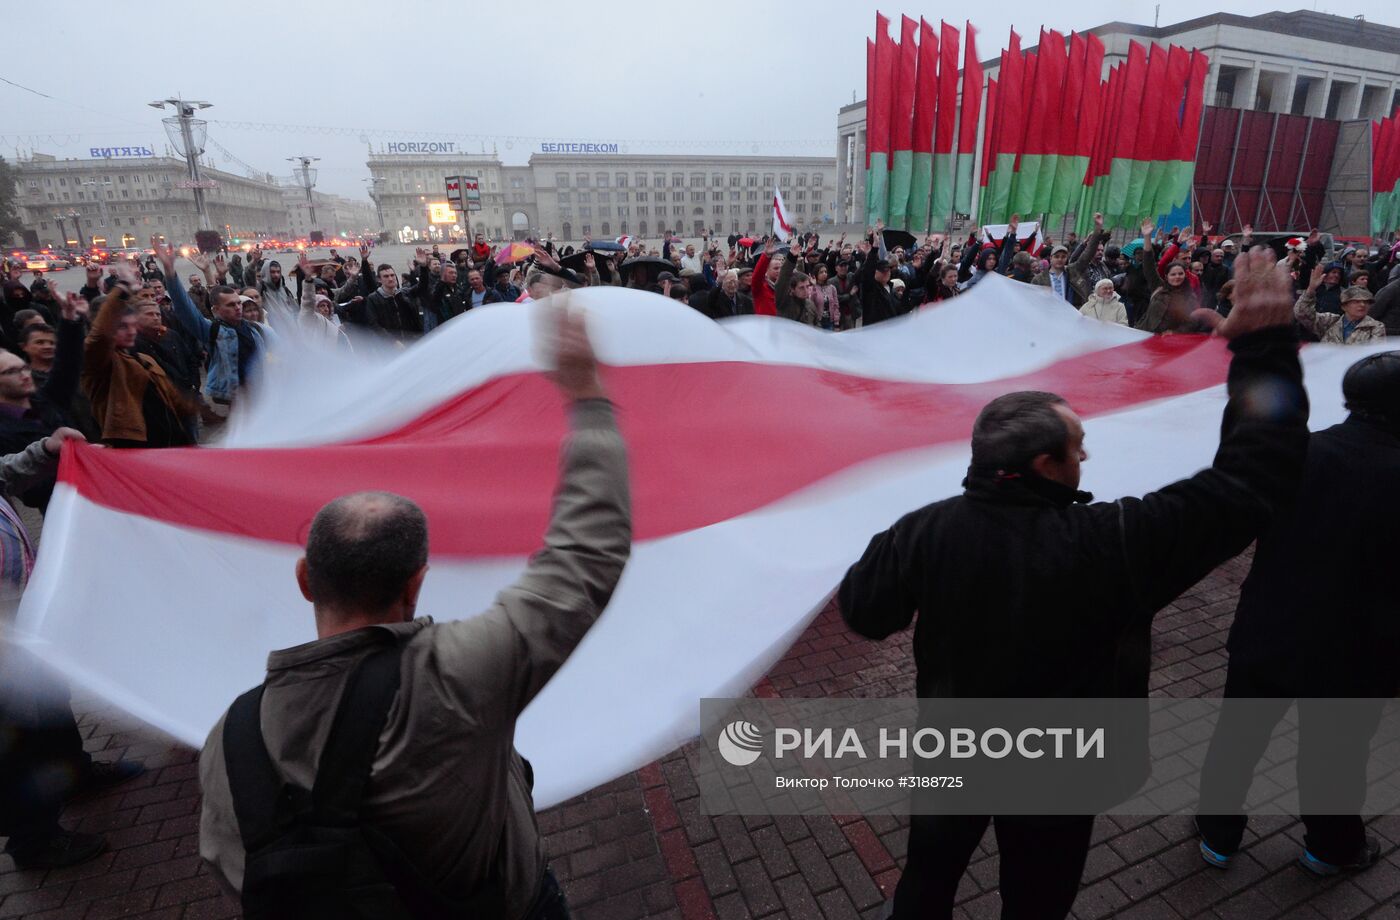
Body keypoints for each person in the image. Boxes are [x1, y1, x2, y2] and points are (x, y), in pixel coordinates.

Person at [837, 246, 1309, 919]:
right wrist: (1266, 350)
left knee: (927, 881)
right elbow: (1252, 482)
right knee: (1036, 900)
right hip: (1060, 769)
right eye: (1076, 443)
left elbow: (866, 610)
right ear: (1041, 462)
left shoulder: (926, 531)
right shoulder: (1109, 541)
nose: (1087, 454)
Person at [198, 303, 630, 919]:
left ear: (304, 579)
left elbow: (235, 870)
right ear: (417, 583)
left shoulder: (230, 741)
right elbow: (585, 560)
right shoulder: (453, 678)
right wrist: (587, 396)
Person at [1196, 351, 1400, 878]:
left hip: (1270, 624)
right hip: (1359, 646)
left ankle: (1216, 834)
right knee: (1337, 750)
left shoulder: (1300, 452)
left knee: (1237, 736)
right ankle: (1330, 848)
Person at [1, 427, 146, 870]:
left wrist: (45, 450)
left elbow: (5, 473)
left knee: (50, 706)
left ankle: (73, 773)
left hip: (20, 619)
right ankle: (33, 841)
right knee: (15, 739)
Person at [81, 261, 197, 448]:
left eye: (132, 325)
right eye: (121, 326)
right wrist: (123, 288)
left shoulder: (145, 360)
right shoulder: (99, 363)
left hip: (170, 445)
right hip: (136, 451)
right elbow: (101, 335)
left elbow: (174, 400)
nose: (131, 331)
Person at [0, 291, 86, 509]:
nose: (24, 374)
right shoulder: (4, 429)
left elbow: (67, 365)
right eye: (12, 371)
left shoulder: (46, 399)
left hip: (92, 492)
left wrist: (70, 321)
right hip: (61, 510)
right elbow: (28, 491)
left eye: (24, 368)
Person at [1294, 271, 1387, 344]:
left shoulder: (1375, 327)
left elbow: (1374, 357)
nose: (1362, 305)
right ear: (1344, 306)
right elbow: (1302, 314)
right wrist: (1311, 290)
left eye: (1366, 302)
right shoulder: (1330, 321)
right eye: (1356, 301)